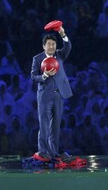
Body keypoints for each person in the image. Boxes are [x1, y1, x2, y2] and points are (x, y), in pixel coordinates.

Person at [30, 26, 72, 161]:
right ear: (44, 46)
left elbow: (68, 47)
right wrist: (44, 76)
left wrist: (63, 34)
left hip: (59, 94)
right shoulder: (37, 59)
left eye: (53, 44)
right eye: (49, 44)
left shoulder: (60, 55)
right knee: (44, 123)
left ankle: (53, 151)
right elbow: (33, 77)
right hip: (44, 95)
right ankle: (42, 151)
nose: (51, 47)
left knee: (56, 124)